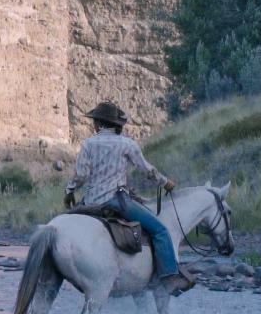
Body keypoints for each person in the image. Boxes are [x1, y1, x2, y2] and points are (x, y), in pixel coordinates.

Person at [63, 102, 189, 291]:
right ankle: (169, 278)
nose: (93, 125)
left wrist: (69, 191)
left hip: (90, 202)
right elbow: (147, 170)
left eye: (95, 122)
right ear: (115, 124)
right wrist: (165, 183)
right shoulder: (127, 144)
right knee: (161, 231)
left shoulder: (88, 144)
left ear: (99, 124)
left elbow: (80, 175)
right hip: (117, 201)